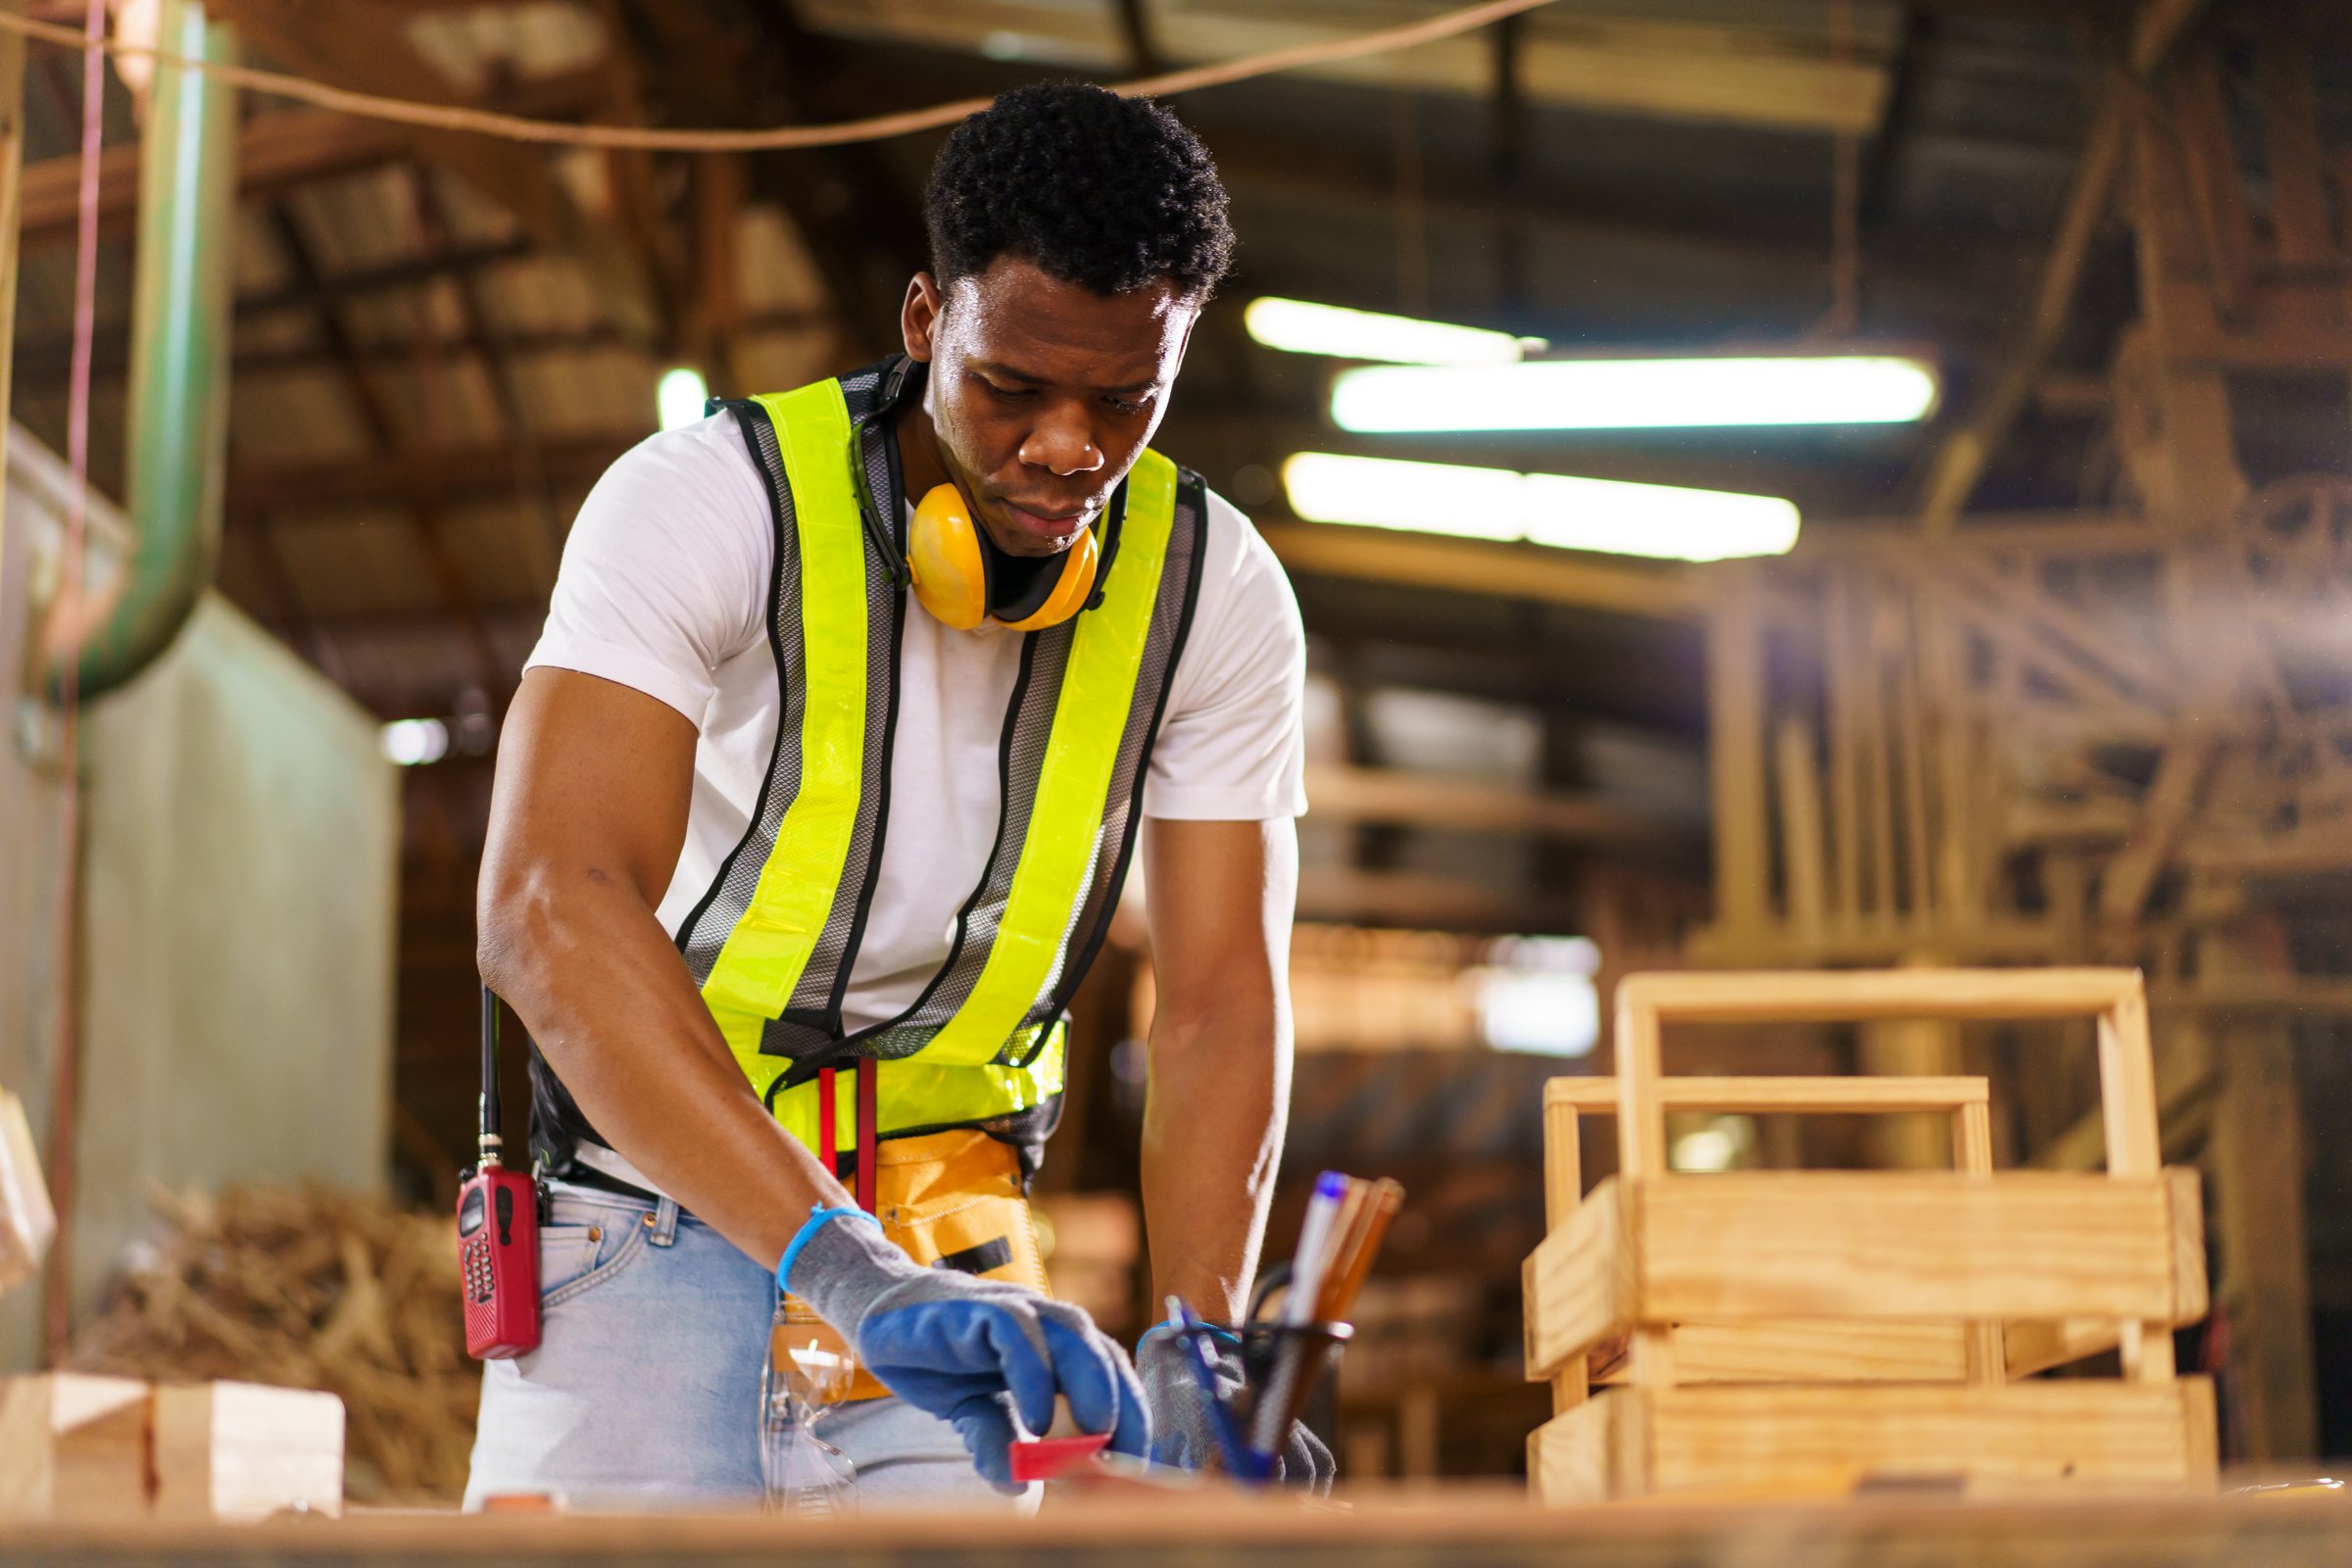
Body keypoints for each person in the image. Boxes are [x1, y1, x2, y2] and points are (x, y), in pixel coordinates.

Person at [466, 80, 1326, 1508]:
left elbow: (1226, 999)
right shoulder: (711, 501)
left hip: (962, 1267)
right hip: (643, 1229)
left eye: (1125, 400)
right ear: (928, 319)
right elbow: (547, 909)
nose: (1068, 448)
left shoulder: (1214, 598)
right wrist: (844, 1268)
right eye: (1012, 387)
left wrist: (1199, 1335)